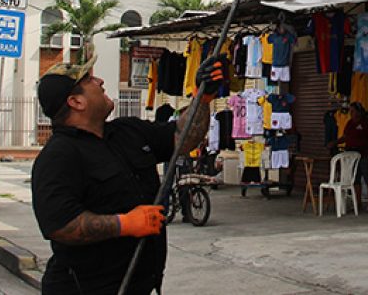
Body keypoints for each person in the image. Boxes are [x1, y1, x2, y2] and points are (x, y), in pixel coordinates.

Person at [31, 53, 224, 295]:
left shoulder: (128, 131)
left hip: (139, 285)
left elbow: (182, 137)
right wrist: (124, 224)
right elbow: (60, 225)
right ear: (76, 102)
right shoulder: (58, 156)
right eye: (89, 80)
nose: (100, 81)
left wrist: (202, 96)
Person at [334, 102, 368, 211]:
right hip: (351, 156)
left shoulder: (365, 123)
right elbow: (345, 137)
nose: (351, 113)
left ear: (358, 111)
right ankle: (357, 203)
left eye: (353, 111)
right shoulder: (349, 123)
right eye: (350, 111)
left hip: (364, 154)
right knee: (355, 180)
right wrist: (334, 142)